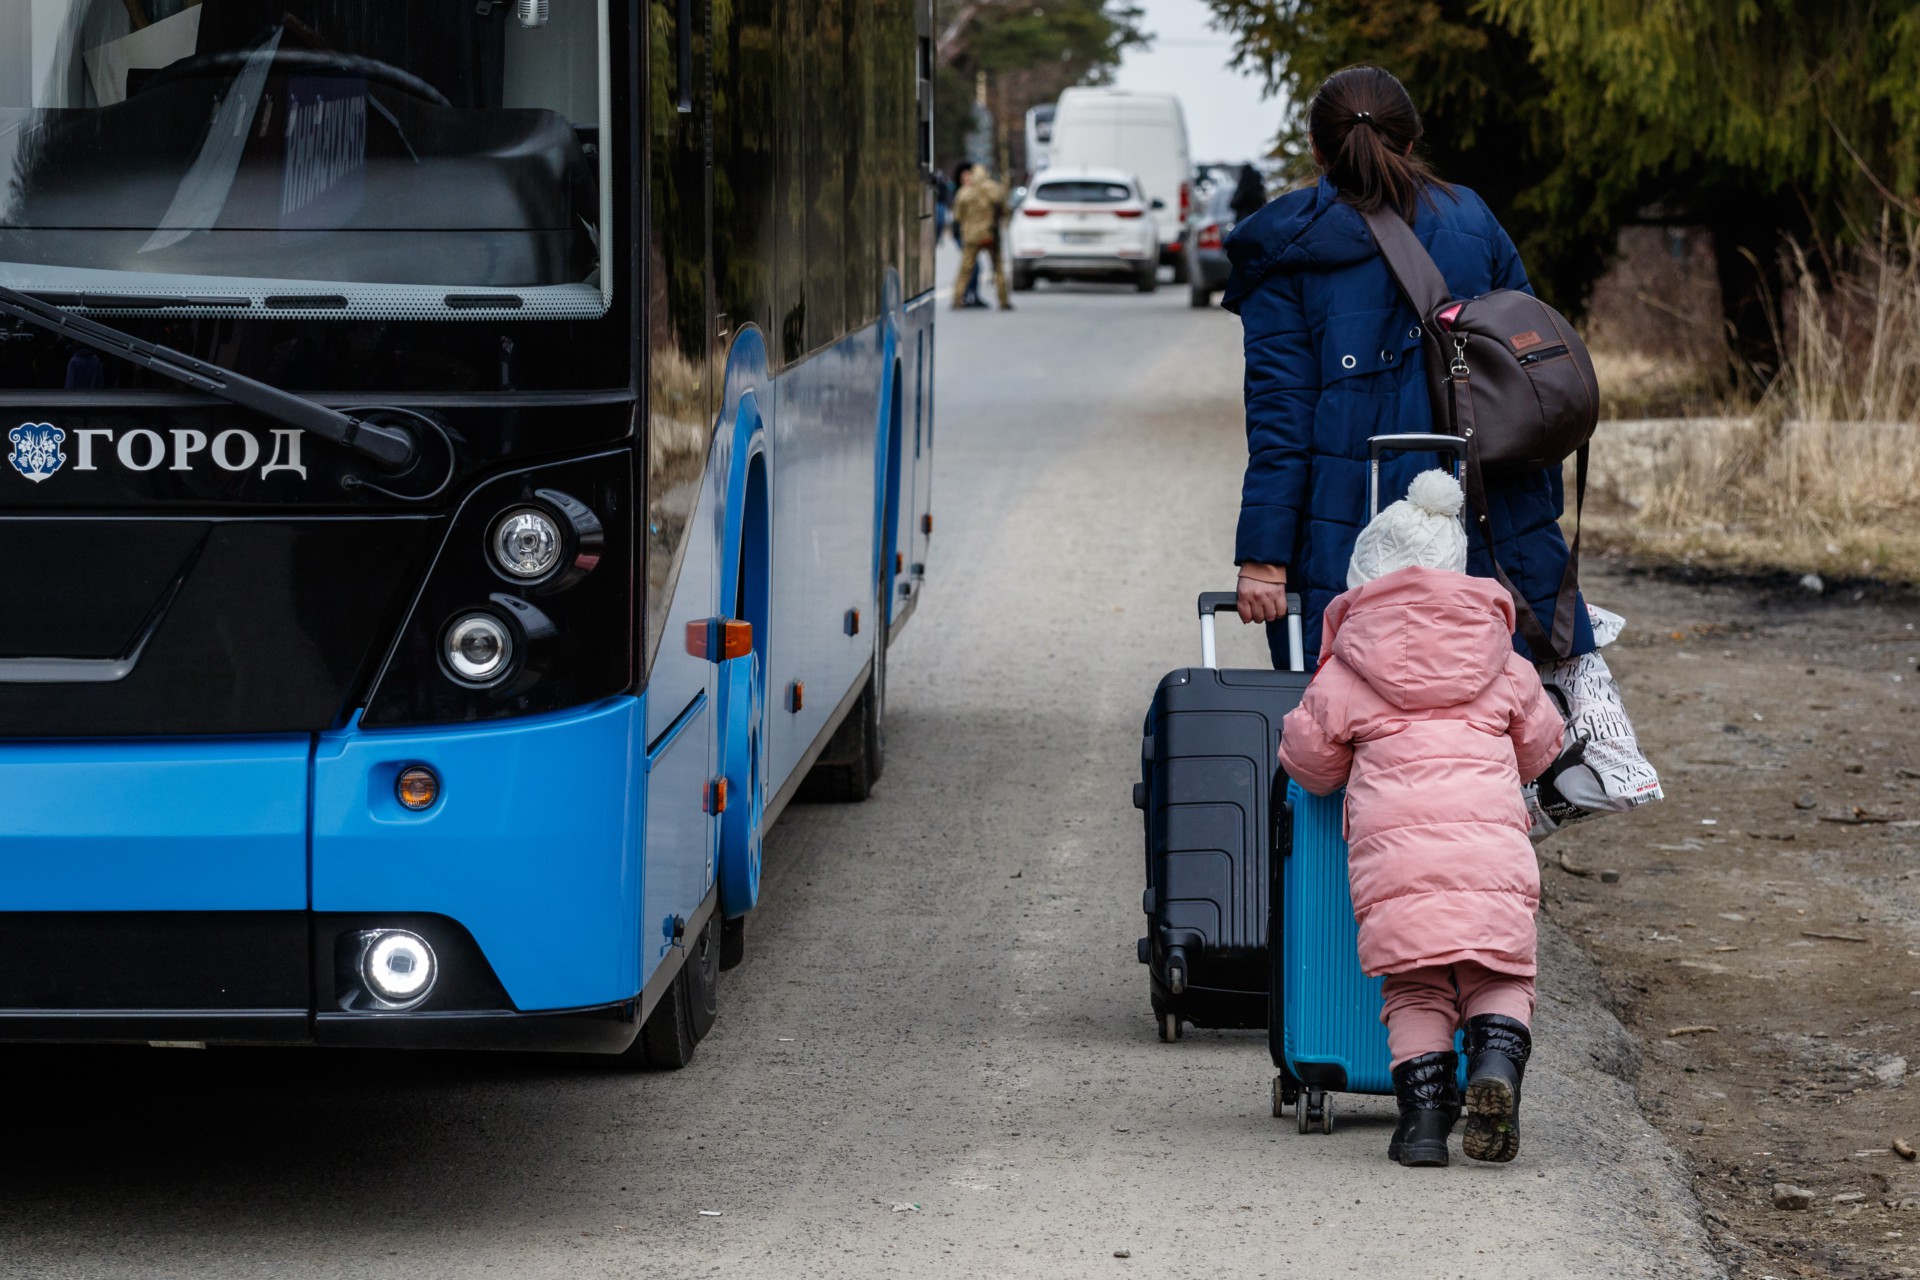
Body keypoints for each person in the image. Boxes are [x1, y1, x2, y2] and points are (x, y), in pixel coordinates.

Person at [1223, 64, 1595, 673]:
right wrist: (1536, 514)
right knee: (1495, 709)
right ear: (1412, 141)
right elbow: (1533, 380)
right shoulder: (1473, 219)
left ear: (1317, 148)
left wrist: (1263, 558)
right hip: (1486, 512)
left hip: (1347, 532)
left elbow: (1280, 418)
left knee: (1358, 710)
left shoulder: (1286, 253)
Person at [1277, 470, 1565, 1167]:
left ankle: (1424, 1127)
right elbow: (1541, 746)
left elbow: (1309, 763)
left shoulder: (1347, 671)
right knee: (1499, 973)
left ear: (1366, 582)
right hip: (1491, 858)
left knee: (1416, 985)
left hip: (1398, 868)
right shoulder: (1503, 661)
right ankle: (1495, 1064)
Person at [951, 163, 1012, 312]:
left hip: (971, 236)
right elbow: (1005, 211)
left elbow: (957, 215)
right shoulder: (994, 189)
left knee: (965, 269)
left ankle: (957, 299)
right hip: (991, 234)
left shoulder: (965, 192)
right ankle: (1003, 300)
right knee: (998, 268)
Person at [949, 163, 981, 307]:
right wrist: (957, 235)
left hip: (972, 233)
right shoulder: (962, 193)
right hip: (964, 234)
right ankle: (963, 296)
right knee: (971, 266)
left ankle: (970, 295)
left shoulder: (975, 192)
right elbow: (957, 217)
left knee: (973, 266)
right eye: (965, 176)